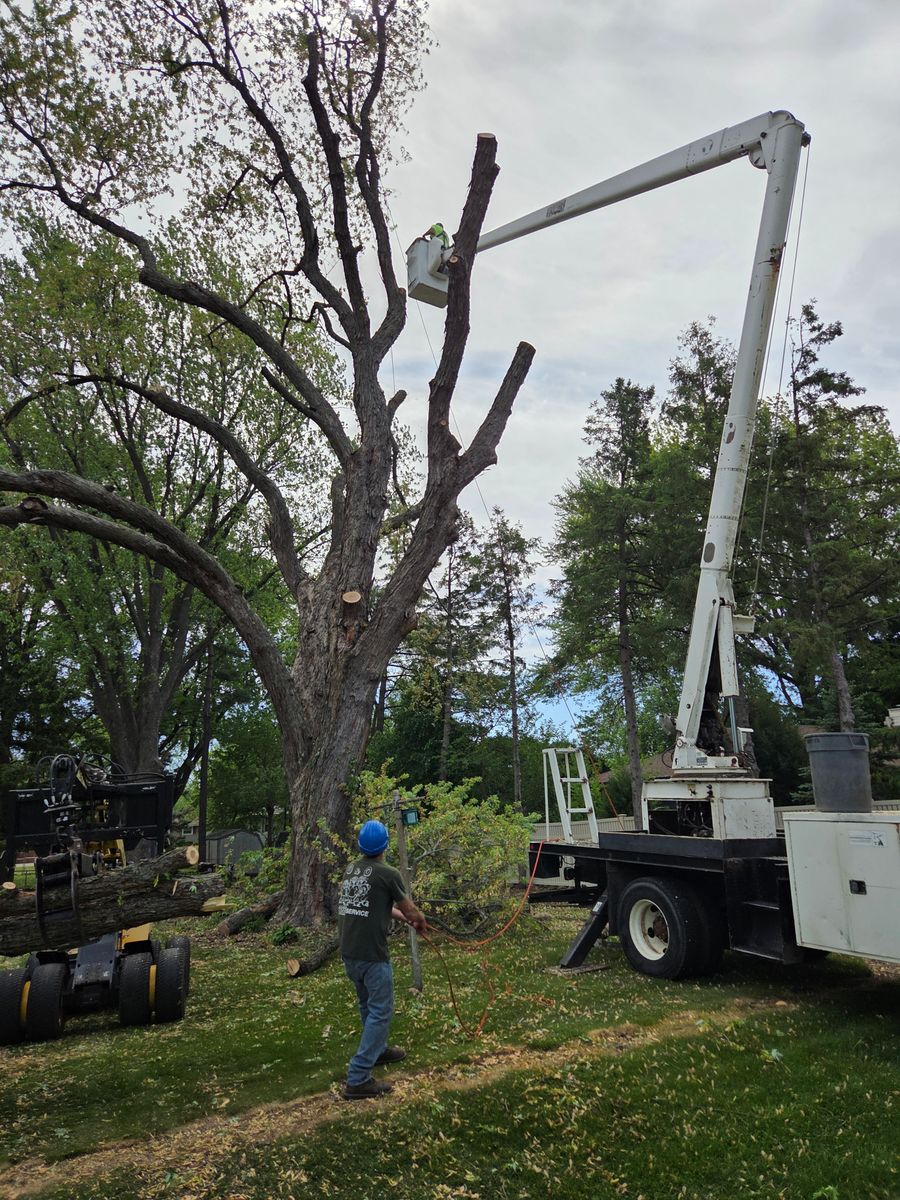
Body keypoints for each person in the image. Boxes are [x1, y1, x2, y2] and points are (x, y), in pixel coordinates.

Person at [338, 818, 427, 1100]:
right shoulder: (388, 873)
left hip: (350, 953)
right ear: (385, 845)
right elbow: (410, 909)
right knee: (380, 1011)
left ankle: (377, 1051)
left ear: (360, 845)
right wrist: (419, 920)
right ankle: (358, 1079)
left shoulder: (352, 869)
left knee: (368, 1005)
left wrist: (404, 919)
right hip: (372, 955)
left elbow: (376, 905)